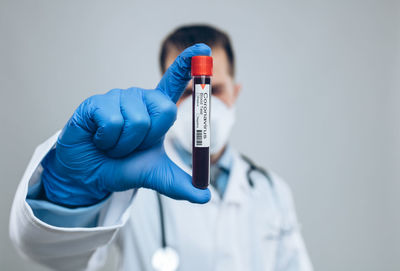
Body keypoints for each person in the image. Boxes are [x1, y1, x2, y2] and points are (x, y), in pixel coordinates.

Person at [9, 25, 313, 271]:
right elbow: (55, 256)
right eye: (185, 92)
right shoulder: (129, 179)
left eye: (213, 90)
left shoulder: (271, 191)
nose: (199, 106)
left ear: (235, 92)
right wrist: (69, 197)